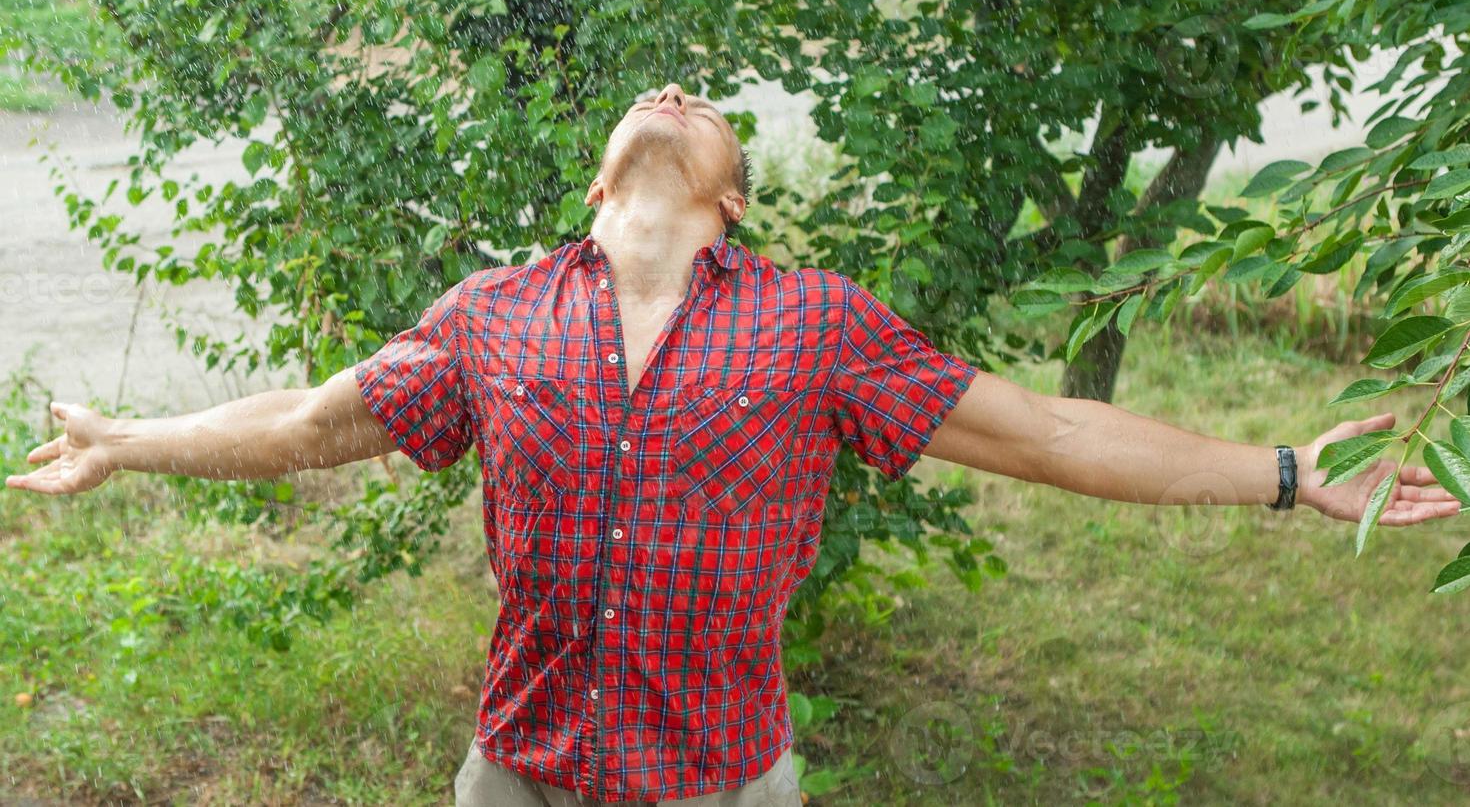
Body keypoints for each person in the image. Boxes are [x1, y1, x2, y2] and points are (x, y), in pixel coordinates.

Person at [6, 81, 1458, 807]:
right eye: (655, 98)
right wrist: (130, 440)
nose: (674, 91)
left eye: (703, 108)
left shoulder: (816, 324)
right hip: (514, 775)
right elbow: (306, 424)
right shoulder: (488, 317)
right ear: (599, 184)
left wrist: (1283, 472)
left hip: (721, 782)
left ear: (733, 200)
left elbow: (1055, 431)